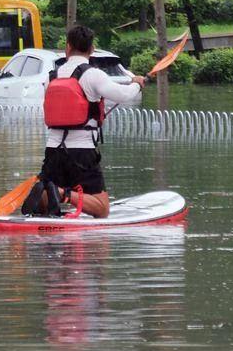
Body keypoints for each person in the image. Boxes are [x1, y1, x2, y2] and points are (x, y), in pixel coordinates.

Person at [22, 25, 146, 218]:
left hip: (53, 150)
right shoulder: (92, 75)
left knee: (49, 185)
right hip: (82, 151)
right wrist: (137, 83)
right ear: (92, 49)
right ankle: (63, 193)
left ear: (67, 47)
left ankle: (47, 192)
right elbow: (124, 95)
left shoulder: (51, 77)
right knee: (102, 209)